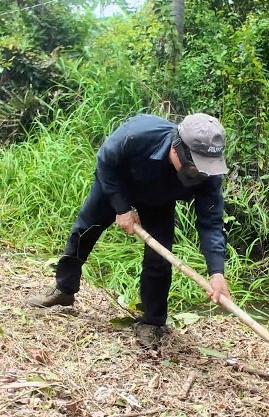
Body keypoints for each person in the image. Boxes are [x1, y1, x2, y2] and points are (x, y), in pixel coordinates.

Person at [27, 113, 232, 349]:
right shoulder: (138, 136)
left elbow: (211, 221)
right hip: (118, 184)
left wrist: (217, 272)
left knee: (159, 256)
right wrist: (122, 208)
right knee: (84, 231)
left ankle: (153, 322)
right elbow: (105, 161)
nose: (202, 174)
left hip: (159, 200)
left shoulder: (208, 174)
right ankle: (64, 289)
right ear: (177, 148)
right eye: (196, 166)